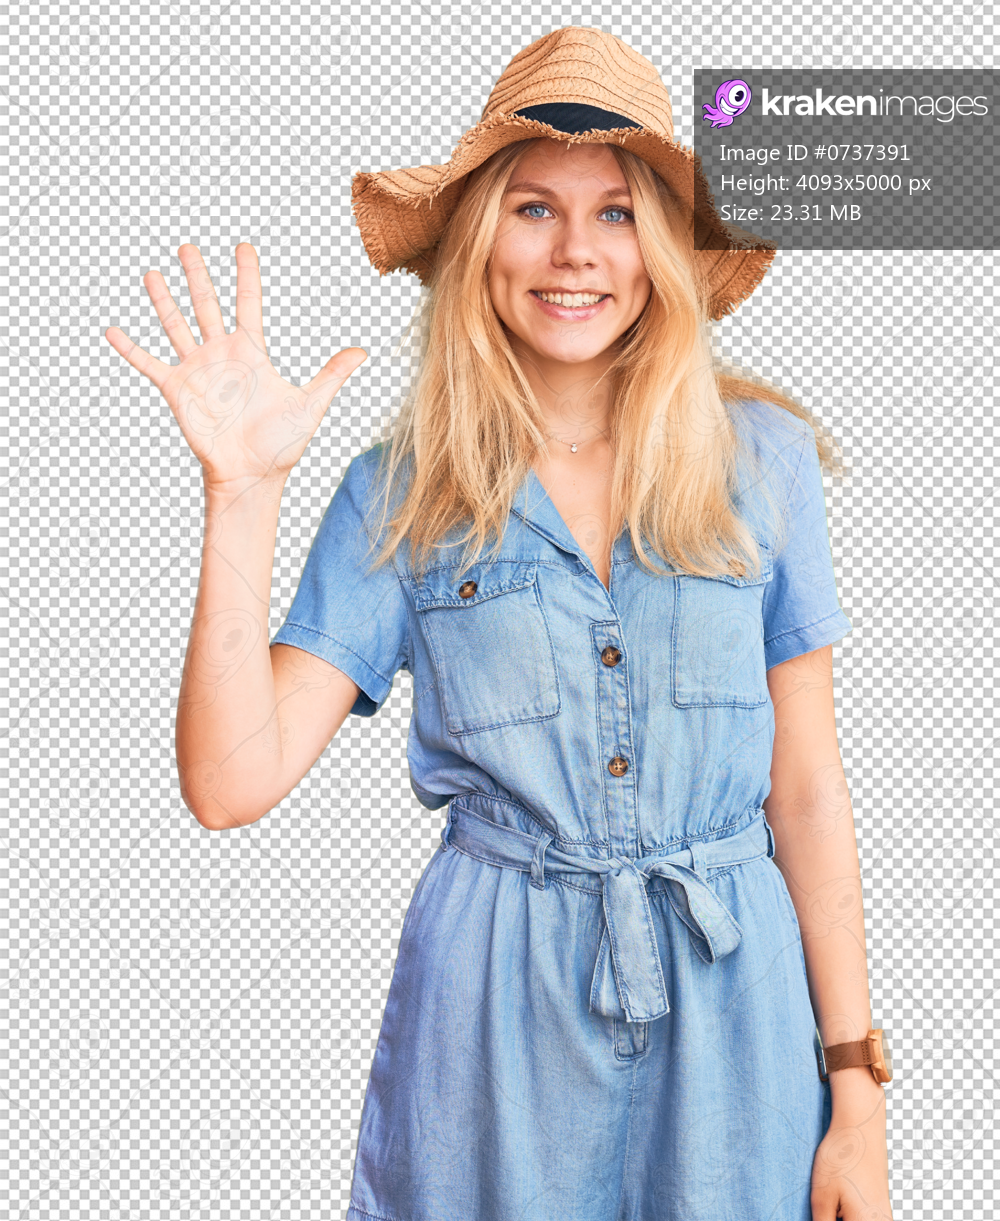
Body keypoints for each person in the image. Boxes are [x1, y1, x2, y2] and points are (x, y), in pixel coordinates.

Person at [104, 26, 893, 1221]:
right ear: (479, 240)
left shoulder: (762, 465)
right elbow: (230, 778)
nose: (575, 253)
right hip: (494, 1026)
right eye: (533, 209)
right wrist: (241, 492)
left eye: (618, 214)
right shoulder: (404, 491)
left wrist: (857, 1094)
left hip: (737, 1016)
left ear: (664, 250)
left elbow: (808, 790)